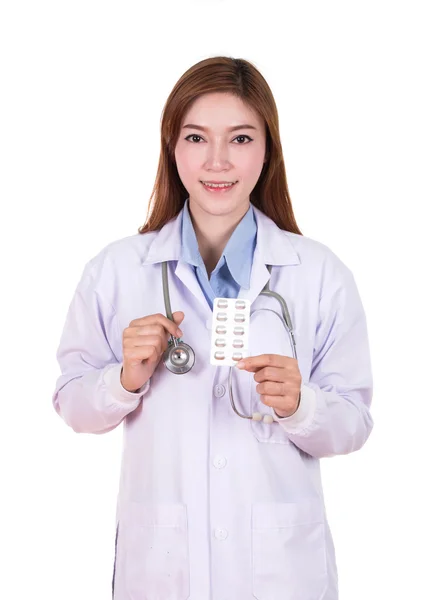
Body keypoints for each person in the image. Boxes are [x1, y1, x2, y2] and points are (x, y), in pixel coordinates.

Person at [52, 56, 374, 600]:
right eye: (197, 138)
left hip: (280, 573)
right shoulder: (116, 270)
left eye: (241, 138)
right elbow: (71, 403)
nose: (218, 161)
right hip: (162, 570)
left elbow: (355, 422)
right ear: (171, 146)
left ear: (267, 148)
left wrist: (301, 404)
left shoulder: (320, 274)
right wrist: (122, 379)